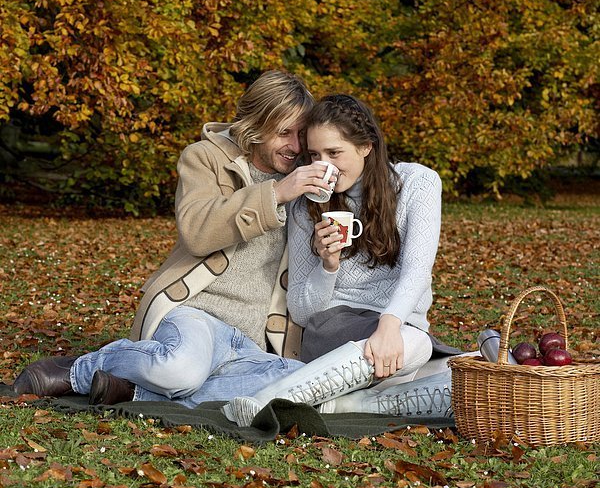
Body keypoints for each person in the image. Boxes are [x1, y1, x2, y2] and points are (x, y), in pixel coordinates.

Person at [12, 70, 337, 407]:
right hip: (196, 313)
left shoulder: (308, 179)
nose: (296, 146)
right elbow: (197, 232)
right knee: (180, 369)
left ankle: (135, 391)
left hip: (249, 339)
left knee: (302, 382)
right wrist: (276, 194)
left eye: (302, 134)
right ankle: (78, 370)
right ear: (255, 126)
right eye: (284, 133)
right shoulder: (204, 158)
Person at [224, 94, 463, 426]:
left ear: (365, 146)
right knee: (419, 345)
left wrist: (389, 326)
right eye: (315, 155)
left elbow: (417, 271)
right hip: (335, 332)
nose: (326, 166)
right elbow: (303, 311)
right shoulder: (306, 205)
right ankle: (271, 402)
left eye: (334, 153)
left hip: (394, 334)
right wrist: (328, 266)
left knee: (456, 374)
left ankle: (335, 406)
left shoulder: (416, 183)